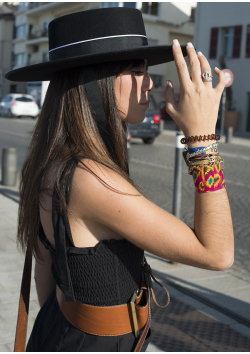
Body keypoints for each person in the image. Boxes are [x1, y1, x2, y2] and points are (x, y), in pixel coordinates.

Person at [6, 7, 234, 352]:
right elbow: (217, 254)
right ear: (97, 82)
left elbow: (46, 271)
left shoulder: (57, 157)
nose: (150, 82)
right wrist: (202, 140)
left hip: (65, 331)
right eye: (136, 70)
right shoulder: (90, 177)